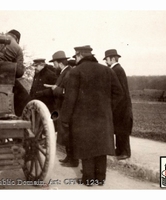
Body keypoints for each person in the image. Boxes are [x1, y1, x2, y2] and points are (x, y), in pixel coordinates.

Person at [60, 45, 123, 186]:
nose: (75, 59)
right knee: (101, 148)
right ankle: (100, 178)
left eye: (75, 57)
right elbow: (119, 93)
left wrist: (65, 119)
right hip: (103, 117)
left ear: (79, 55)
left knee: (86, 148)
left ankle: (88, 179)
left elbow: (70, 99)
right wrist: (108, 108)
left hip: (83, 118)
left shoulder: (76, 72)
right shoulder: (107, 70)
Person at [45, 51, 79, 167]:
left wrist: (56, 89)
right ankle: (69, 157)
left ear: (59, 63)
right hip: (62, 108)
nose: (53, 66)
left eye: (54, 63)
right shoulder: (64, 72)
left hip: (66, 108)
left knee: (69, 134)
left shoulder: (69, 73)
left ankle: (73, 160)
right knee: (66, 135)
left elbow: (69, 92)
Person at [103, 49, 133, 160]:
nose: (106, 61)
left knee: (122, 129)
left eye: (107, 59)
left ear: (112, 59)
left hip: (122, 105)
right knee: (120, 129)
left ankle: (125, 152)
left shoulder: (117, 70)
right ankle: (119, 150)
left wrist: (113, 104)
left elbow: (120, 91)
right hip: (122, 104)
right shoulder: (117, 69)